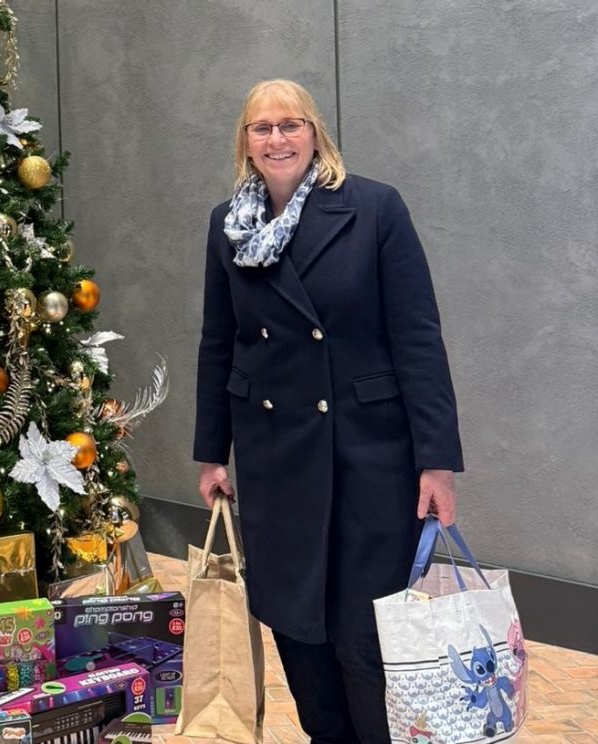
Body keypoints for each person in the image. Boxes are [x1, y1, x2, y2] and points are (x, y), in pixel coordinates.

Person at [193, 79, 463, 743]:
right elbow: (218, 341)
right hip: (273, 454)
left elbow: (417, 336)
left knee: (363, 634)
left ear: (316, 134)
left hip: (370, 453)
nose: (277, 138)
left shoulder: (373, 209)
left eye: (290, 124)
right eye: (262, 128)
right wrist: (211, 451)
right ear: (245, 142)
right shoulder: (229, 225)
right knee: (297, 622)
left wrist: (437, 461)